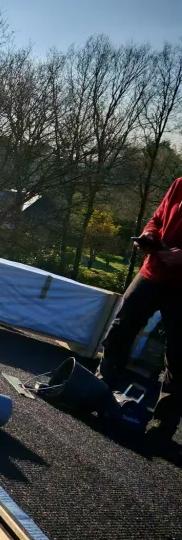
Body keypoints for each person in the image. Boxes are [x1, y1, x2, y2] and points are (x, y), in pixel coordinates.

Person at [97, 177, 182, 444]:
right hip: (152, 272)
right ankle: (101, 391)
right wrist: (149, 235)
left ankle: (162, 427)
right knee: (121, 329)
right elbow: (157, 218)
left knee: (179, 355)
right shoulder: (180, 183)